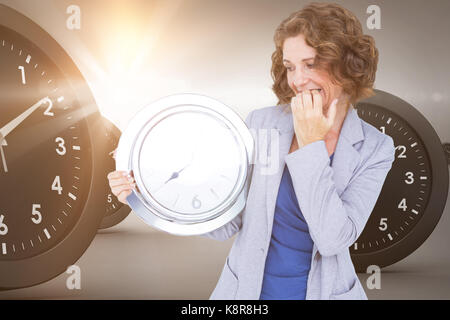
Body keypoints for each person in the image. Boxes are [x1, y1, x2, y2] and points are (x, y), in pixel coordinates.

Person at [107, 2, 395, 300]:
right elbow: (227, 221)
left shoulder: (375, 149)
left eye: (310, 64)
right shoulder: (261, 125)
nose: (297, 80)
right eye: (290, 67)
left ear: (346, 64)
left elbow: (333, 239)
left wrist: (311, 146)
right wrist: (144, 191)